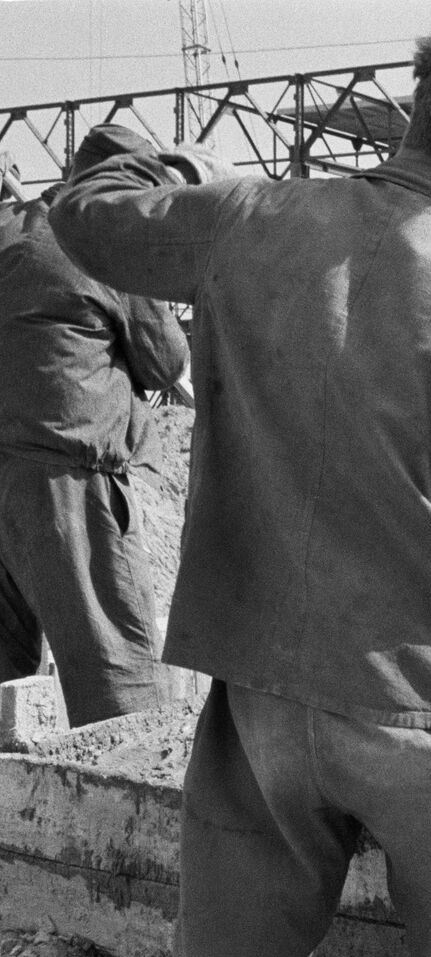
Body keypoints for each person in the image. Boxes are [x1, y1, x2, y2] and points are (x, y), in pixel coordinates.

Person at [51, 16, 431, 957]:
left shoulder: (251, 216)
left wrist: (173, 158)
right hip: (429, 698)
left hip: (262, 699)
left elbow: (86, 213)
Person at [0, 123, 188, 728]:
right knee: (120, 693)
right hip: (68, 487)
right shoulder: (103, 245)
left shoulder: (12, 233)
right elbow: (167, 362)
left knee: (5, 686)